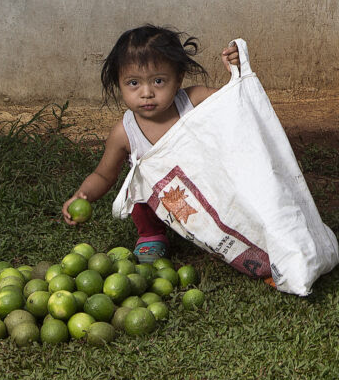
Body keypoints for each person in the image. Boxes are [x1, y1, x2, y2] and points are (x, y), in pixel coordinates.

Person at [62, 25, 243, 262]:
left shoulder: (193, 101)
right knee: (139, 189)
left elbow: (235, 102)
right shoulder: (124, 133)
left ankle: (216, 229)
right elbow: (104, 176)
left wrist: (236, 72)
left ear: (178, 79)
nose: (146, 93)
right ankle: (151, 235)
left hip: (204, 193)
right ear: (119, 83)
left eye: (158, 81)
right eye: (133, 83)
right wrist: (82, 195)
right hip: (157, 203)